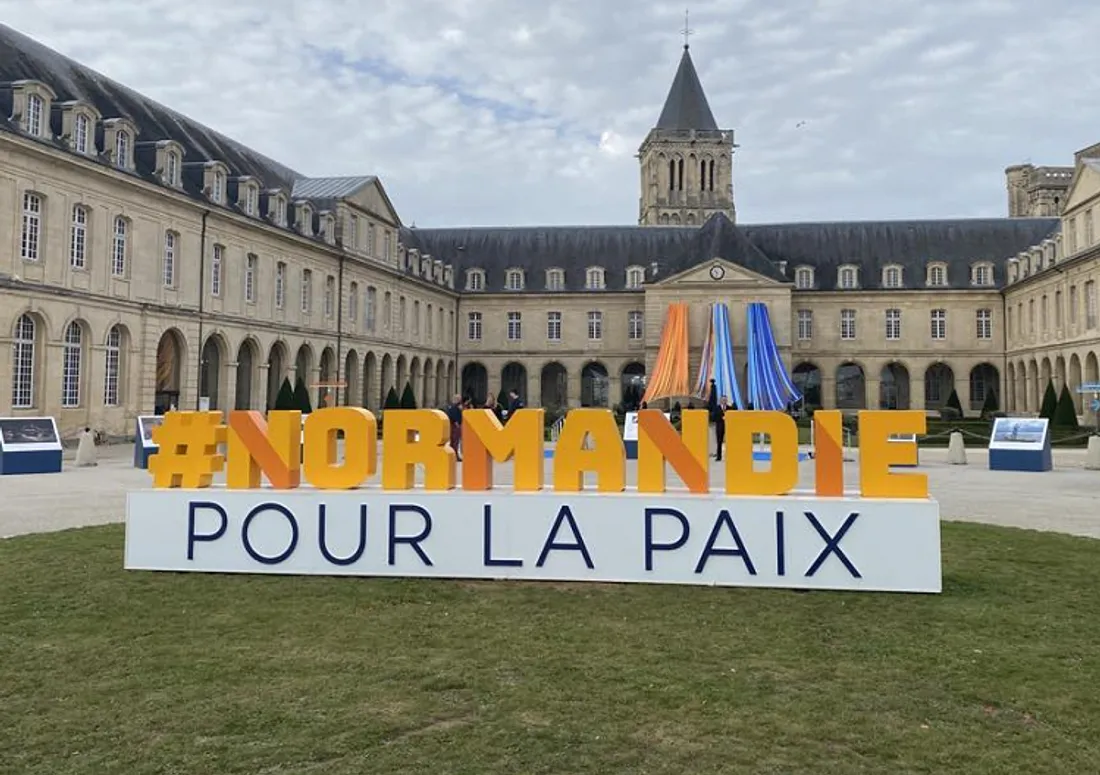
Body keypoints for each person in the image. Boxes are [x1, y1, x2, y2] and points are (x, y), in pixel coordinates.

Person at [445, 394, 463, 461]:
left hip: (454, 425)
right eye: (459, 399)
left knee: (454, 442)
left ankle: (452, 456)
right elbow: (454, 415)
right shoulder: (454, 407)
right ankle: (454, 456)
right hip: (455, 426)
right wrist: (457, 423)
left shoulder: (452, 406)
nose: (460, 400)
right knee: (455, 442)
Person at [713, 396, 730, 461]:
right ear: (720, 401)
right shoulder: (717, 408)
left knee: (729, 442)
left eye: (725, 400)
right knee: (719, 442)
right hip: (719, 427)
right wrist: (721, 418)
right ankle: (719, 457)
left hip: (728, 427)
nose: (724, 401)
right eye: (723, 400)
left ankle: (729, 456)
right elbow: (714, 417)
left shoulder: (729, 408)